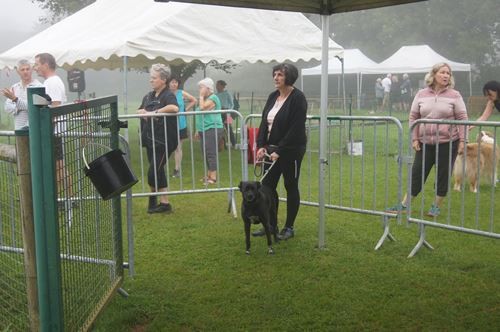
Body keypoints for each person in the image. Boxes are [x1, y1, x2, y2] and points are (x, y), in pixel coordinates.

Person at [387, 63, 468, 217]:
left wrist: (463, 141)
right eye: (442, 72)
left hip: (448, 143)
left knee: (443, 175)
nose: (446, 76)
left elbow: (462, 118)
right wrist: (415, 138)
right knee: (417, 173)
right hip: (424, 143)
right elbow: (414, 117)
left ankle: (435, 206)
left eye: (448, 73)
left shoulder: (455, 95)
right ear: (433, 75)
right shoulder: (421, 94)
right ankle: (404, 205)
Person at [252, 63, 307, 240]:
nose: (276, 78)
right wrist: (261, 145)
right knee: (267, 187)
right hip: (270, 149)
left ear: (289, 77)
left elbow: (296, 128)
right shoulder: (272, 96)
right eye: (274, 74)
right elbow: (263, 123)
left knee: (290, 186)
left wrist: (281, 150)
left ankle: (289, 227)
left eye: (280, 75)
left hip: (291, 150)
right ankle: (271, 225)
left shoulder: (298, 98)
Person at [138, 64, 179, 214]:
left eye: (154, 78)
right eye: (151, 78)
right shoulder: (148, 96)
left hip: (165, 141)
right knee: (158, 170)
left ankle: (152, 199)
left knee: (153, 171)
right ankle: (164, 203)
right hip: (150, 139)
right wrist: (143, 112)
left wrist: (154, 112)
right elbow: (140, 109)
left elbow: (174, 108)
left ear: (163, 80)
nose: (151, 80)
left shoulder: (168, 95)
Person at [34, 53, 70, 200]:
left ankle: (67, 198)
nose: (35, 68)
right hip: (53, 130)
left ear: (46, 65)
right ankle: (60, 198)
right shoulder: (51, 81)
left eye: (37, 64)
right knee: (55, 166)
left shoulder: (52, 82)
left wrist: (46, 128)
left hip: (54, 131)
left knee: (58, 166)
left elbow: (55, 106)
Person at [194, 77, 223, 185]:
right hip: (203, 129)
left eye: (201, 87)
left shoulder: (213, 98)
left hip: (212, 128)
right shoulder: (205, 98)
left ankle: (213, 177)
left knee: (211, 152)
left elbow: (202, 108)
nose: (199, 90)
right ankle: (209, 175)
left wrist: (201, 96)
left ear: (208, 88)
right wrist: (198, 129)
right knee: (205, 152)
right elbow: (201, 115)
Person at [2, 59, 42, 129]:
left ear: (32, 70)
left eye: (27, 69)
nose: (25, 72)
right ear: (18, 72)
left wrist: (15, 100)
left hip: (34, 129)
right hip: (18, 129)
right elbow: (7, 108)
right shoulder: (14, 87)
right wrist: (18, 108)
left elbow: (34, 107)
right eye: (22, 70)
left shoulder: (38, 86)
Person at [169, 76, 196, 178]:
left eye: (176, 82)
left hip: (181, 124)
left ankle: (177, 169)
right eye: (172, 82)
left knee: (178, 147)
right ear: (168, 83)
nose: (174, 84)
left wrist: (185, 109)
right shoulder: (166, 94)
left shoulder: (181, 93)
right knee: (169, 146)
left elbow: (194, 100)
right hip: (169, 124)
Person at [216, 80, 236, 149]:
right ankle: (222, 145)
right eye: (216, 85)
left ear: (222, 86)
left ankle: (234, 144)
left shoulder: (227, 94)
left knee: (229, 128)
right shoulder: (216, 95)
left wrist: (227, 110)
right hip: (218, 114)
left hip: (227, 114)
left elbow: (232, 104)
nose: (216, 86)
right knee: (219, 129)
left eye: (218, 85)